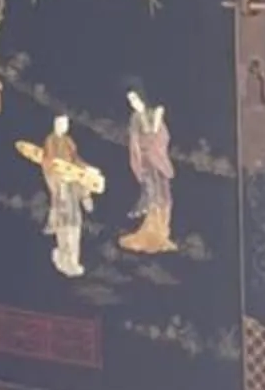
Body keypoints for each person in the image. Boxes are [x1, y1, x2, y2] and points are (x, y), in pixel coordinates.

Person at [15, 115, 105, 276]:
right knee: (64, 226)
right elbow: (49, 164)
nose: (64, 127)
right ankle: (64, 260)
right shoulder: (50, 141)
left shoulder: (68, 141)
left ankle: (73, 261)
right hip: (61, 189)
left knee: (75, 225)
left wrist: (88, 170)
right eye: (61, 124)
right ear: (56, 125)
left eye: (66, 124)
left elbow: (76, 161)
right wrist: (60, 179)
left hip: (71, 187)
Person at [119, 91, 175, 254]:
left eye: (135, 99)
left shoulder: (153, 114)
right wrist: (140, 158)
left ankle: (162, 234)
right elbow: (135, 142)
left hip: (158, 158)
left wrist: (154, 136)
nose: (134, 103)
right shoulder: (135, 119)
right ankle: (151, 235)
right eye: (131, 101)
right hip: (146, 161)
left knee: (165, 197)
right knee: (153, 196)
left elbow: (162, 136)